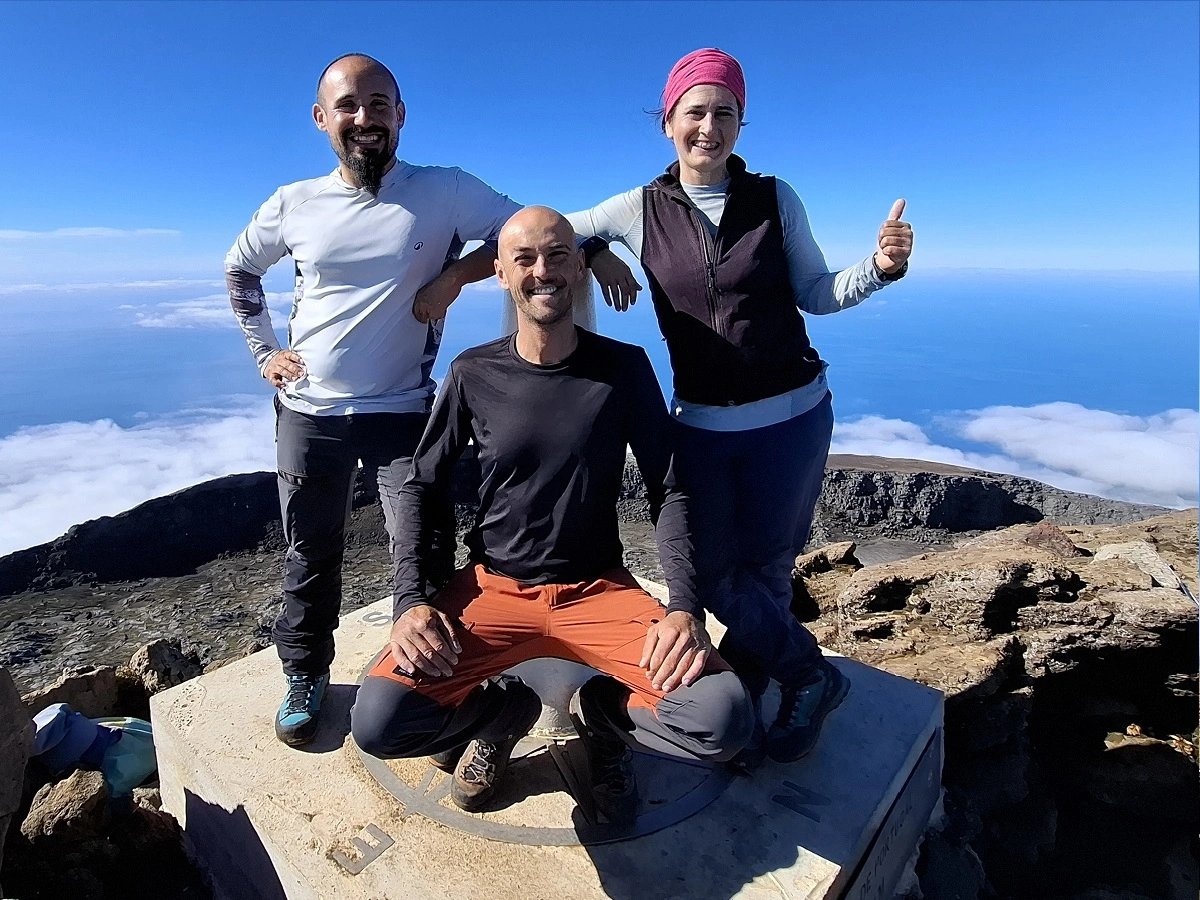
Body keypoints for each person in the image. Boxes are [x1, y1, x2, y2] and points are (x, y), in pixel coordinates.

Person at [562, 48, 915, 764]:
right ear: (668, 123)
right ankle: (808, 674)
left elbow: (816, 292)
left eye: (725, 112)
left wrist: (880, 269)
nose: (709, 127)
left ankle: (762, 679)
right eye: (695, 112)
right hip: (704, 426)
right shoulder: (637, 207)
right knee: (713, 574)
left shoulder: (775, 198)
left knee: (768, 567)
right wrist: (596, 251)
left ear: (740, 122)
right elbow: (543, 228)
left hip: (793, 415)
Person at [350, 207, 753, 824]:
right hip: (492, 590)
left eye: (559, 254)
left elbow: (669, 490)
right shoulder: (472, 373)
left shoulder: (623, 370)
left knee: (720, 719)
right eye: (525, 259)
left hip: (598, 591)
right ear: (503, 277)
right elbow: (424, 489)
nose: (544, 271)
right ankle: (499, 714)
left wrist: (683, 609)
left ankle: (606, 714)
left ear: (578, 268)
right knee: (381, 722)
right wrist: (412, 603)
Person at [226, 54, 536, 747]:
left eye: (378, 104)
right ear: (321, 119)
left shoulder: (445, 190)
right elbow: (241, 267)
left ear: (400, 114)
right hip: (308, 414)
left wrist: (454, 277)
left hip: (404, 411)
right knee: (311, 553)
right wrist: (264, 352)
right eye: (347, 105)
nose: (363, 117)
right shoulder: (293, 202)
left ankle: (429, 679)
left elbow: (522, 230)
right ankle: (304, 674)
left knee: (419, 551)